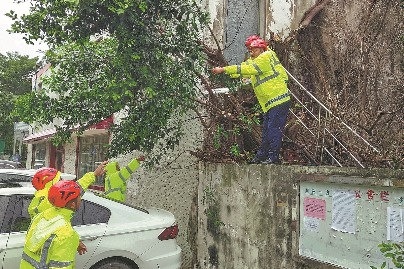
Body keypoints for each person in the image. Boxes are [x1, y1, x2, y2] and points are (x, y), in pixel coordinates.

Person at [212, 38, 290, 164]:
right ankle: (262, 156)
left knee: (273, 130)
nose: (251, 54)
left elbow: (247, 70)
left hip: (278, 100)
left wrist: (224, 70)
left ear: (260, 49)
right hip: (271, 102)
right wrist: (228, 73)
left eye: (253, 51)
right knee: (266, 131)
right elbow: (244, 68)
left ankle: (273, 158)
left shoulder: (265, 58)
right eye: (250, 51)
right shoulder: (259, 59)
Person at [20, 180, 84, 269]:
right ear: (73, 205)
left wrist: (76, 241)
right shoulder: (66, 234)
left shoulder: (42, 215)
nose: (81, 199)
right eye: (79, 197)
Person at [28, 161, 108, 219]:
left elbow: (76, 187)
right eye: (60, 180)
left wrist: (94, 174)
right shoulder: (53, 202)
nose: (63, 181)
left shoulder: (38, 201)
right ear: (52, 185)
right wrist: (93, 174)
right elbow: (76, 189)